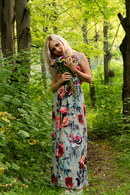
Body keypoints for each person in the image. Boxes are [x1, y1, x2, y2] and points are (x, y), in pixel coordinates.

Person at [44, 34, 92, 192]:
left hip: (75, 104)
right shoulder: (55, 63)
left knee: (76, 143)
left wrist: (73, 71)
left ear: (62, 41)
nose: (57, 50)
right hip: (60, 103)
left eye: (58, 45)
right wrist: (60, 81)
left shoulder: (79, 56)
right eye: (53, 49)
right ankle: (65, 182)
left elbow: (89, 79)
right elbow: (52, 88)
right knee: (62, 142)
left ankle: (77, 182)